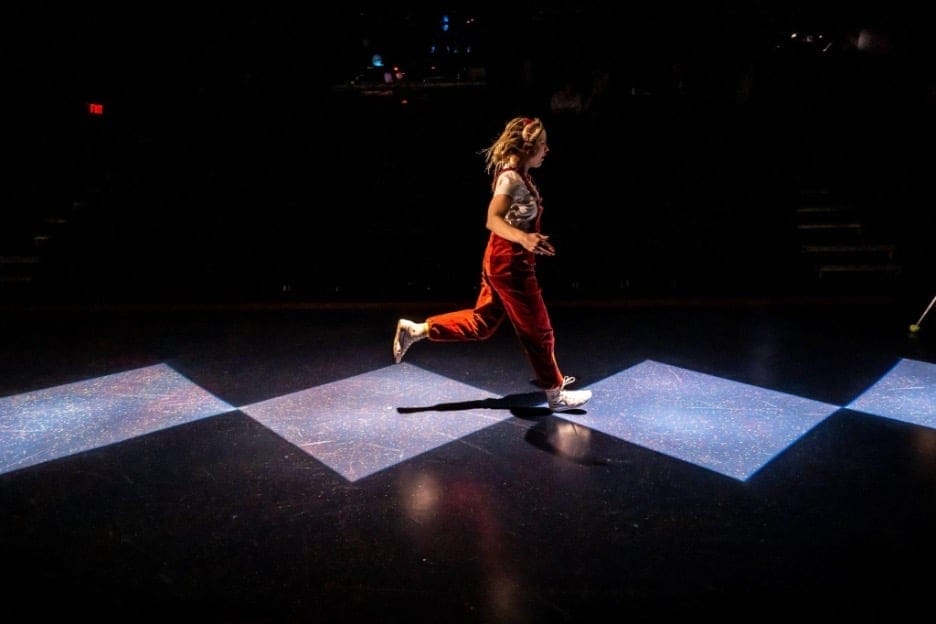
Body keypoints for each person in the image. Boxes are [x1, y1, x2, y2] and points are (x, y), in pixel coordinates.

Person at [392, 116, 592, 412]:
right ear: (527, 147)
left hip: (500, 258)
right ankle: (555, 393)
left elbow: (513, 219)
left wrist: (530, 239)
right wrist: (524, 239)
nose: (547, 149)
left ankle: (418, 330)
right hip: (510, 265)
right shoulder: (510, 179)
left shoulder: (518, 174)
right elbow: (493, 219)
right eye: (542, 144)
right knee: (538, 330)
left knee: (482, 324)